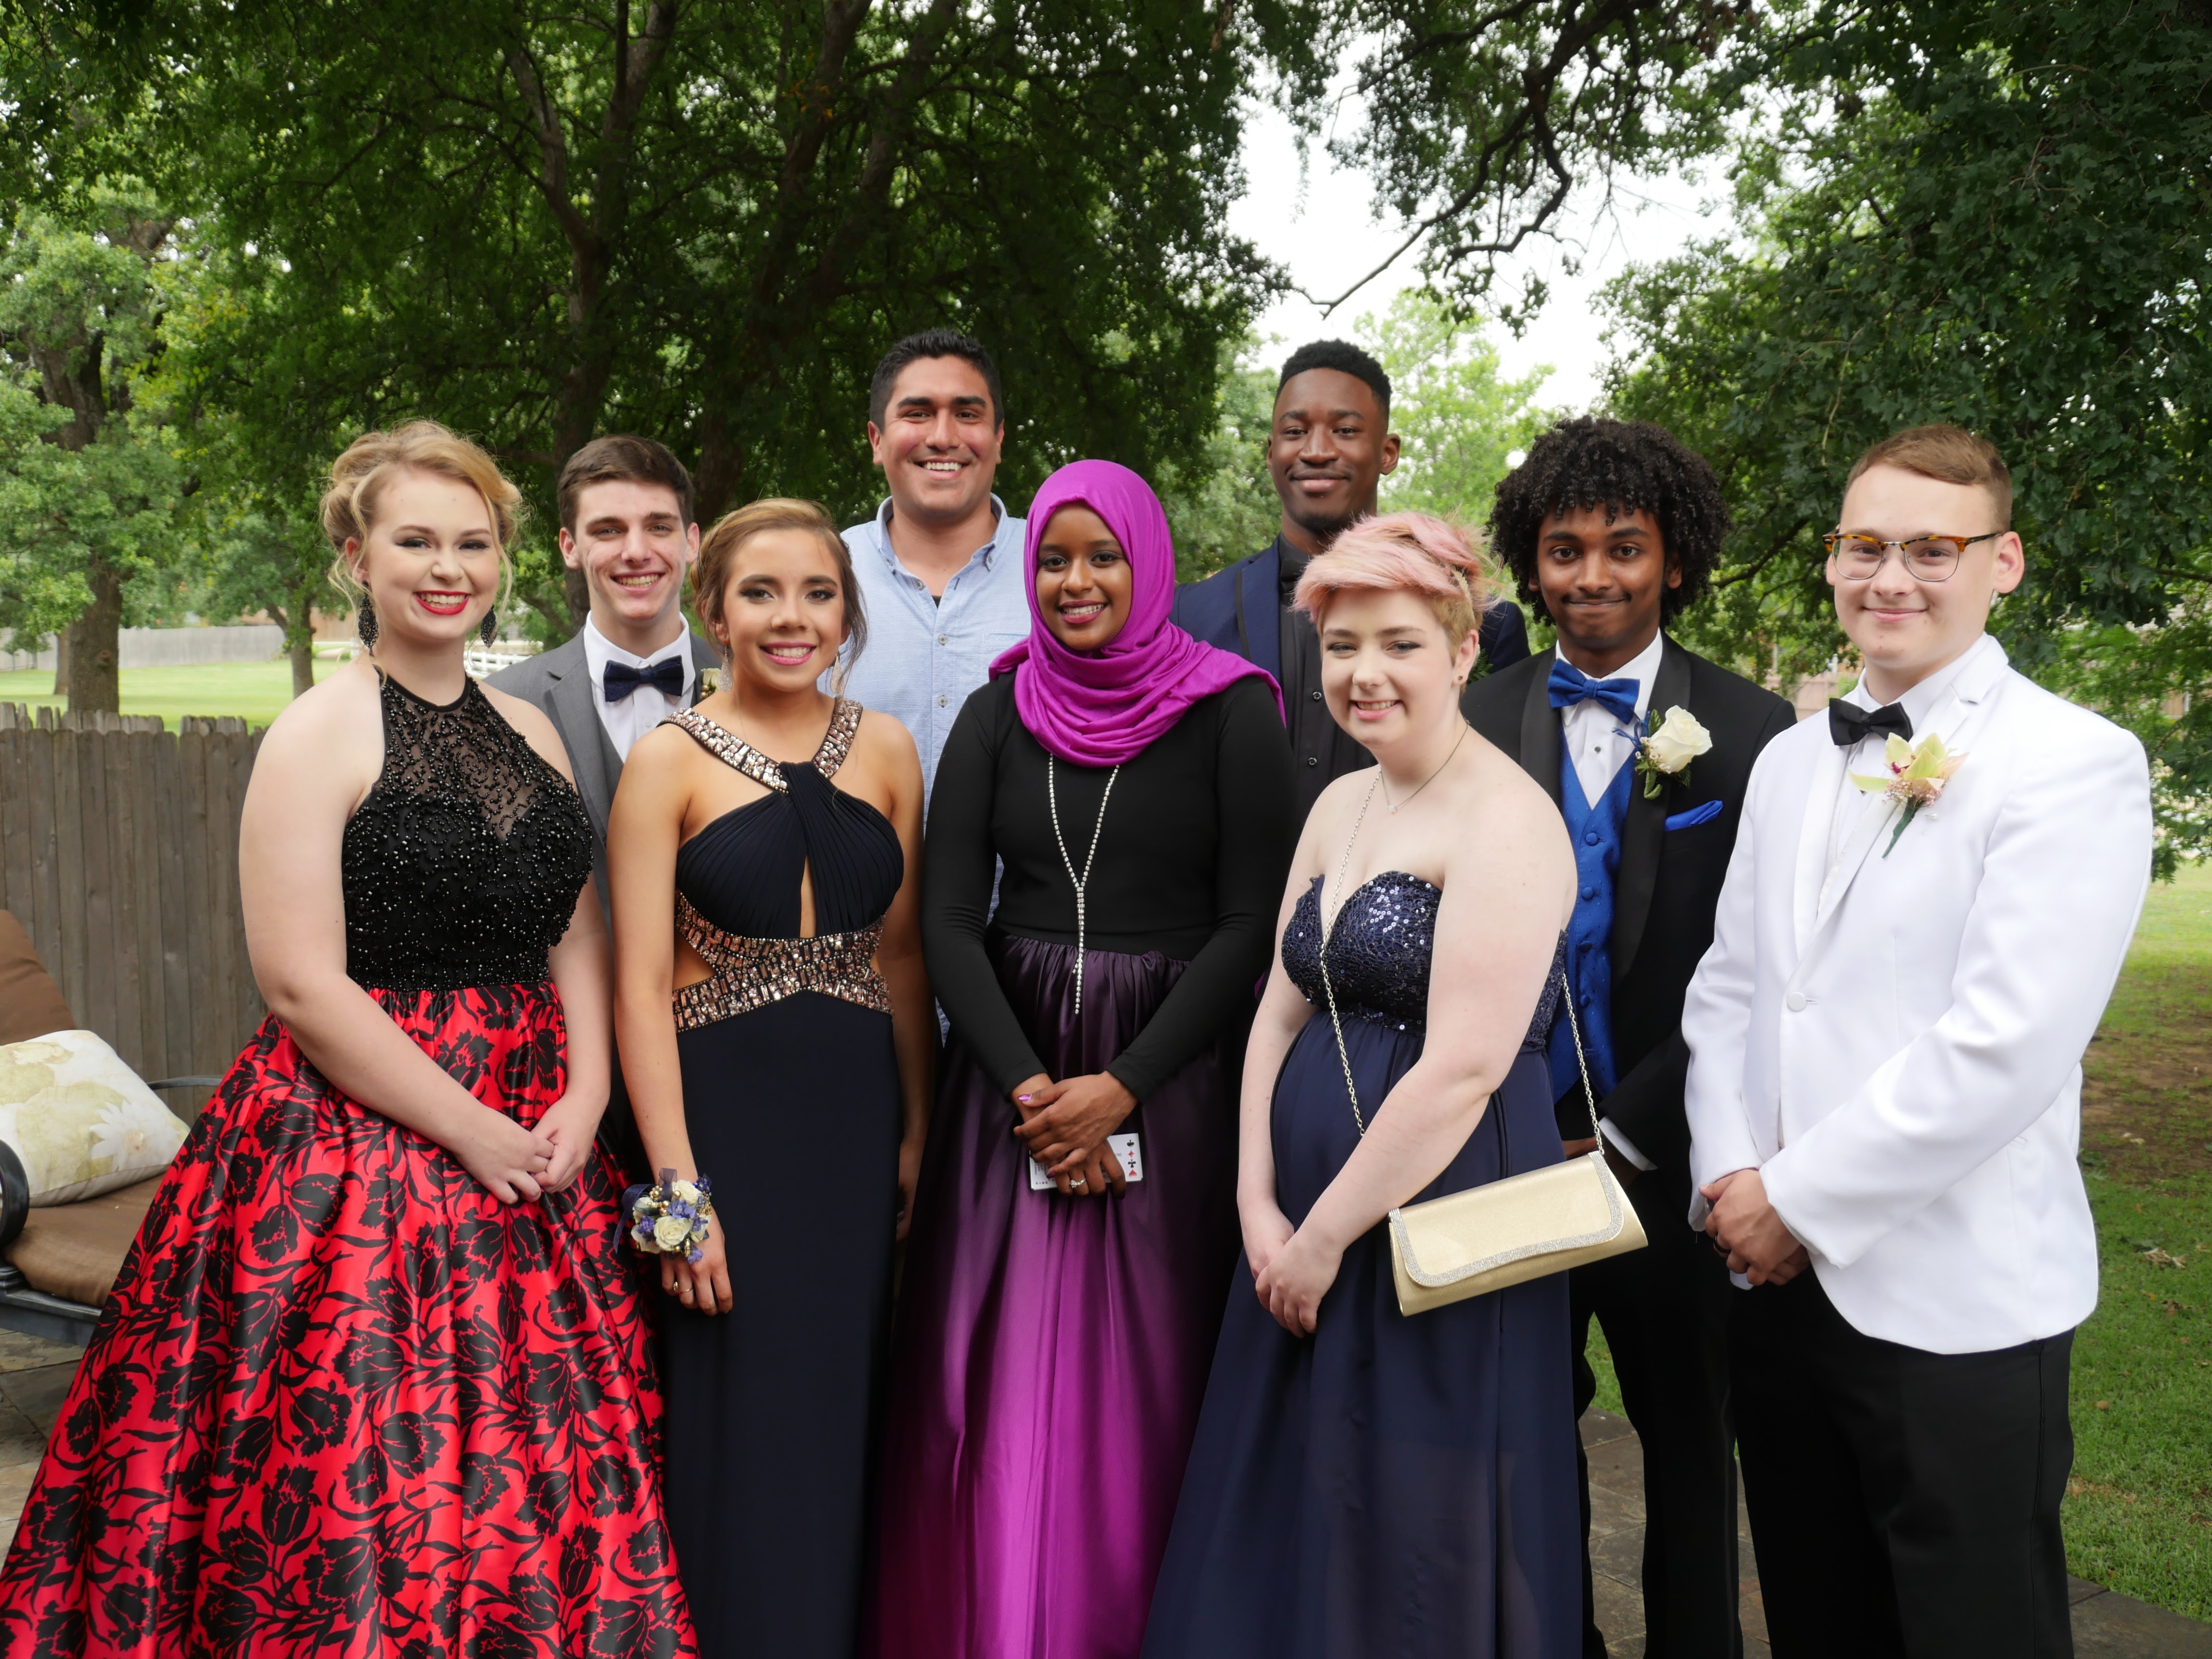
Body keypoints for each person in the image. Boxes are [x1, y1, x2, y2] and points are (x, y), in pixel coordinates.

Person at [0, 422, 694, 1654]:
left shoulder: (530, 731)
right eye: (416, 541)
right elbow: (302, 984)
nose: (448, 567)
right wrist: (474, 1130)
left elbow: (576, 930)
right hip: (359, 1143)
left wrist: (588, 1094)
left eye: (473, 542)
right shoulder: (318, 732)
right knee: (372, 1461)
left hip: (544, 1134)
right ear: (357, 558)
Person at [1685, 424, 2152, 1659]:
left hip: (1959, 1306)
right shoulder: (1790, 760)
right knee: (1816, 1620)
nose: (1889, 577)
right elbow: (1733, 990)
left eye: (1931, 549)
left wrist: (1794, 1198)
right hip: (1774, 1290)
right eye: (1864, 546)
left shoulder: (2074, 761)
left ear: (2005, 561)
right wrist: (1730, 1178)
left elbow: (2006, 1044)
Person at [869, 460, 1295, 1659]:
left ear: (1147, 563)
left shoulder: (1233, 710)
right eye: (1053, 560)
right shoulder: (1000, 710)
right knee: (988, 1376)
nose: (1075, 581)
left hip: (1173, 1074)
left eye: (1102, 556)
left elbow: (1249, 925)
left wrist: (1123, 1086)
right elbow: (947, 920)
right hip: (1009, 1079)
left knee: (1149, 1376)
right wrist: (1030, 1089)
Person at [1144, 511, 1581, 1659]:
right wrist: (1255, 1199)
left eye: (1398, 644)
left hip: (1436, 1204)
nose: (1364, 673)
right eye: (1341, 647)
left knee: (1413, 1509)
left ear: (1462, 649)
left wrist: (1325, 1237)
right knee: (1299, 1486)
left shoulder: (1508, 817)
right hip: (1297, 1216)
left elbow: (1466, 1066)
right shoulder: (1343, 803)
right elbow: (1277, 1009)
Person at [1463, 417, 1796, 1659]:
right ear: (1531, 562)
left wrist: (1629, 1131)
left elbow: (1759, 973)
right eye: (1565, 550)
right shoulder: (1475, 720)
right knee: (1518, 1442)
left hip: (1673, 1159)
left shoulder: (1755, 732)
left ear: (1674, 558)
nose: (1593, 576)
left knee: (1690, 1445)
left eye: (1624, 548)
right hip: (1507, 1151)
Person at [608, 497, 932, 1659]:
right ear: (714, 609)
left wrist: (919, 1128)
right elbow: (638, 986)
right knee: (734, 1402)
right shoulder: (666, 760)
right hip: (720, 1123)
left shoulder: (887, 748)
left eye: (817, 593)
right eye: (761, 592)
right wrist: (678, 1196)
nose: (791, 618)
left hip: (854, 1119)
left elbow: (903, 954)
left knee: (847, 1395)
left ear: (847, 614)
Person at [1173, 338, 1531, 818]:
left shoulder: (1488, 624)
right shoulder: (1189, 614)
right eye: (1296, 431)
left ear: (1387, 453)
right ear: (1271, 452)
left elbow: (1497, 795)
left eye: (1344, 430)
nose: (1317, 451)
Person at [493, 434, 722, 1175]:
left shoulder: (760, 684)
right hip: (559, 1076)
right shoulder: (504, 706)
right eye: (607, 530)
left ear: (692, 541)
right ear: (569, 547)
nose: (636, 551)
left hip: (730, 1052)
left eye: (658, 526)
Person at [837, 329, 1032, 804]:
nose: (943, 438)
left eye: (967, 415)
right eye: (918, 414)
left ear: (999, 439)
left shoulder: (1056, 571)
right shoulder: (824, 571)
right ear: (877, 440)